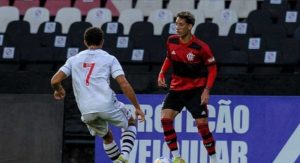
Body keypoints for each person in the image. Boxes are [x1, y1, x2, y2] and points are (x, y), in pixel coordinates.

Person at [51, 27, 145, 163]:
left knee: (107, 137)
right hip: (106, 103)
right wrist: (137, 107)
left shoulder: (73, 59)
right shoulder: (109, 58)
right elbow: (123, 83)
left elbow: (55, 80)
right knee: (130, 121)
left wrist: (58, 89)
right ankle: (124, 155)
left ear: (85, 42)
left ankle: (119, 161)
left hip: (86, 110)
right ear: (102, 41)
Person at [157, 11, 217, 163]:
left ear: (190, 26)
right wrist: (162, 73)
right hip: (176, 89)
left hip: (195, 91)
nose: (177, 27)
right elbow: (169, 57)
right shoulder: (171, 40)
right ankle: (177, 158)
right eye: (176, 24)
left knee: (202, 126)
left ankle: (214, 159)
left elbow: (212, 68)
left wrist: (207, 90)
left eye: (181, 25)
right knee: (165, 119)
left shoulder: (201, 47)